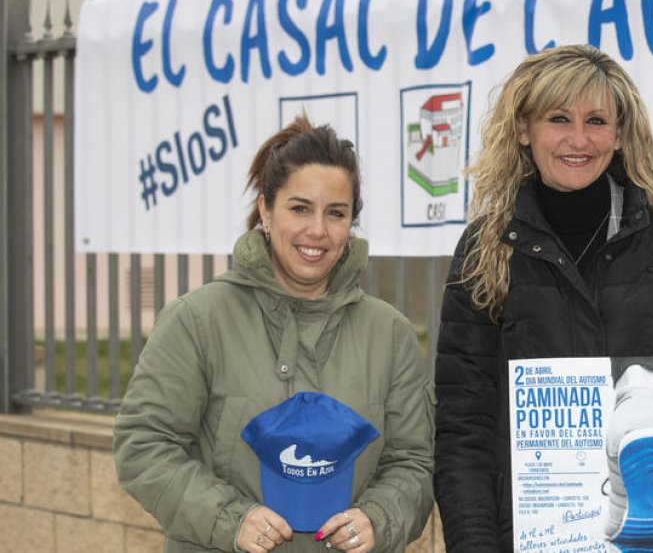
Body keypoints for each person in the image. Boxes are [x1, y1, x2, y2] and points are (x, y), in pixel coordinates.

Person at [434, 44, 653, 552]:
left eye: (596, 120)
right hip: (531, 534)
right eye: (558, 119)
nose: (579, 139)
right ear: (524, 129)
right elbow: (464, 429)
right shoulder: (487, 249)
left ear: (618, 134)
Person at [113, 115, 435, 553]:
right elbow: (144, 444)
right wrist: (229, 519)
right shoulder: (197, 321)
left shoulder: (390, 334)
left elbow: (413, 462)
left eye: (336, 213)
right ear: (265, 210)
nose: (317, 230)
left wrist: (379, 518)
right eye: (300, 208)